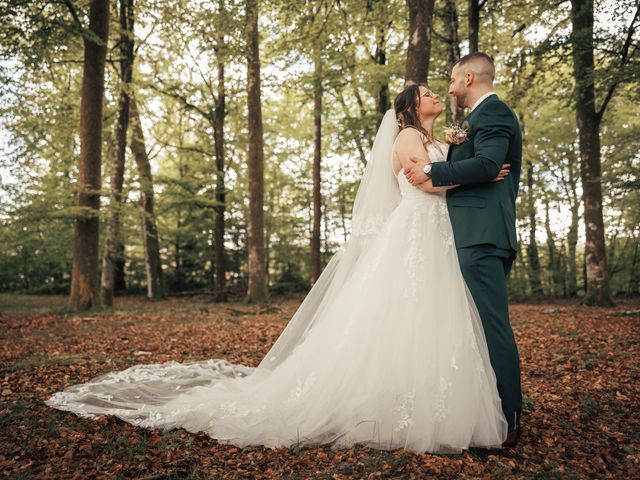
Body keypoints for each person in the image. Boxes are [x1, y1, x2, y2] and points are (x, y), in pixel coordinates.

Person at [45, 81, 511, 454]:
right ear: (410, 108)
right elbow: (422, 183)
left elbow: (438, 173)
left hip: (435, 237)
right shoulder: (409, 136)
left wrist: (457, 159)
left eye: (436, 91)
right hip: (415, 231)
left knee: (427, 319)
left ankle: (429, 401)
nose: (435, 95)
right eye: (427, 93)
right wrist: (481, 173)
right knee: (397, 315)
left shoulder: (432, 138)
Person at [404, 52, 523, 447]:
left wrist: (435, 171)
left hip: (481, 234)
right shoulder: (475, 121)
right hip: (471, 232)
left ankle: (509, 417)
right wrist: (479, 166)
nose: (449, 87)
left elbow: (488, 164)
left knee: (491, 326)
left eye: (453, 80)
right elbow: (485, 165)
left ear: (469, 78)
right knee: (475, 326)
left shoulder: (493, 114)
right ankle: (487, 408)